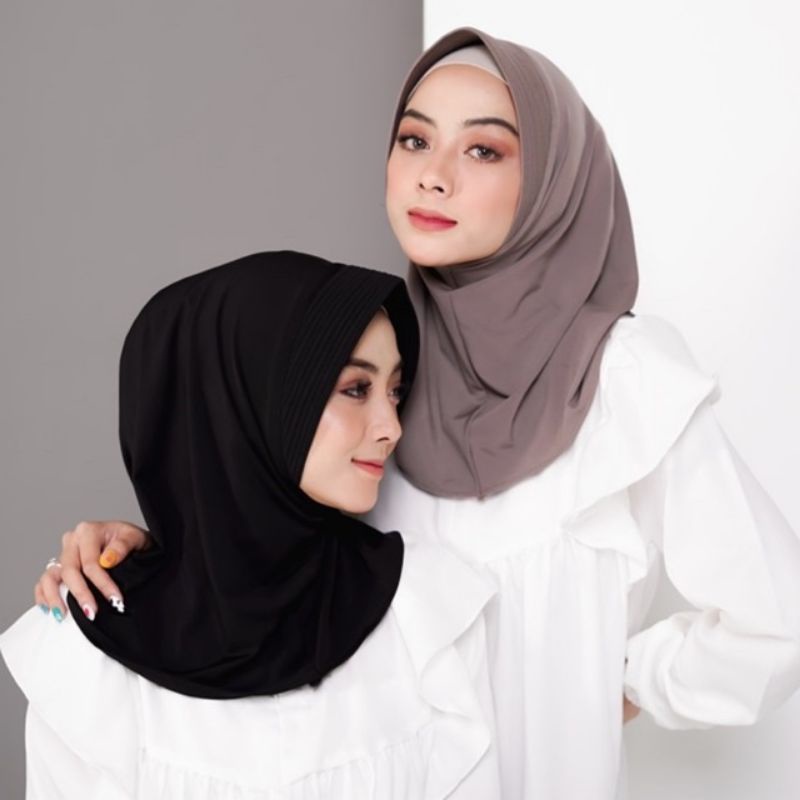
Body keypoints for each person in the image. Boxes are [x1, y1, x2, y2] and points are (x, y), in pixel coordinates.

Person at [27, 28, 800, 799]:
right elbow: (267, 533)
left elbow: (778, 624)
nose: (433, 176)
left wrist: (615, 686)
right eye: (414, 140)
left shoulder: (625, 382)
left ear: (553, 181)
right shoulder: (379, 365)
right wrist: (160, 552)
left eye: (483, 150)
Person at [1, 251, 495, 799]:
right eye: (356, 389)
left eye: (395, 391)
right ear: (247, 400)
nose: (391, 427)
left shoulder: (423, 618)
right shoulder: (86, 669)